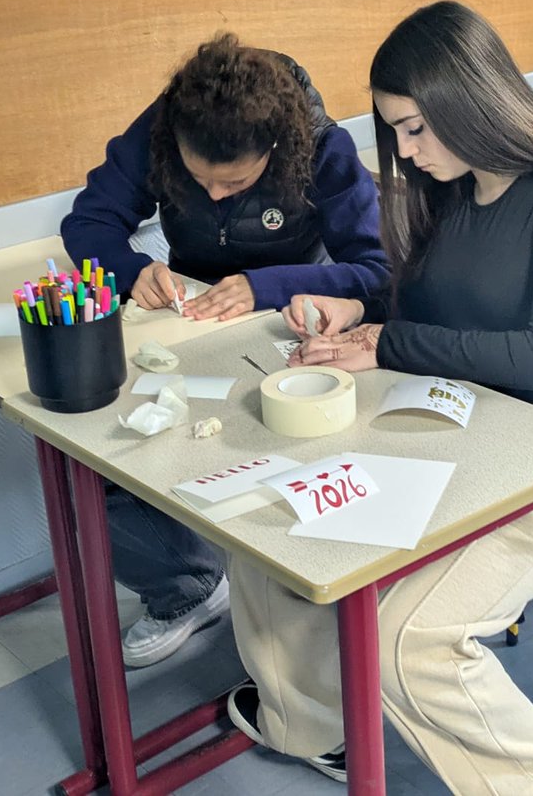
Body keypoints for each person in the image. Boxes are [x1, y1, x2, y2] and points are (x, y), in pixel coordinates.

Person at [222, 1, 533, 794]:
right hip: (465, 420)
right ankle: (313, 722)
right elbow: (440, 312)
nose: (407, 151)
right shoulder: (449, 191)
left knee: (406, 643)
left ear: (473, 101)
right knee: (265, 518)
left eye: (418, 128)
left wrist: (388, 342)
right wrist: (364, 312)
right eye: (396, 133)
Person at [60, 34, 389, 667]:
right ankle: (186, 585)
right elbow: (89, 221)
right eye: (198, 179)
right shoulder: (161, 129)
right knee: (108, 447)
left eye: (234, 182)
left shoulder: (324, 150)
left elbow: (372, 273)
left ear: (274, 149)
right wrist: (132, 269)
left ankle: (305, 609)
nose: (213, 195)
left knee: (281, 456)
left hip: (294, 329)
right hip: (192, 325)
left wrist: (268, 286)